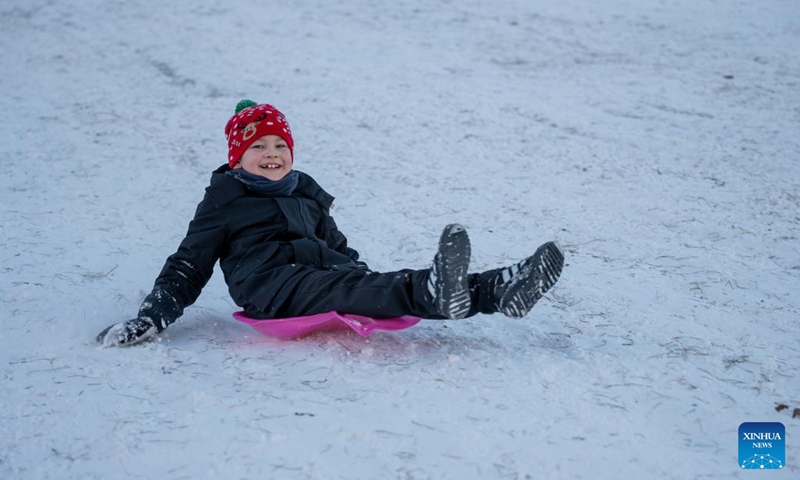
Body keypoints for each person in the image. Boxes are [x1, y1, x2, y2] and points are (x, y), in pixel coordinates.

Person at [96, 100, 564, 347]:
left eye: (280, 146)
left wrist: (359, 274)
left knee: (371, 285)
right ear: (238, 157)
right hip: (271, 287)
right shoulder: (224, 200)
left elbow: (337, 244)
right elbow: (188, 264)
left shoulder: (306, 192)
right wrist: (153, 315)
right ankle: (439, 287)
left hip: (318, 277)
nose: (272, 155)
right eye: (259, 148)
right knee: (353, 288)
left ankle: (498, 290)